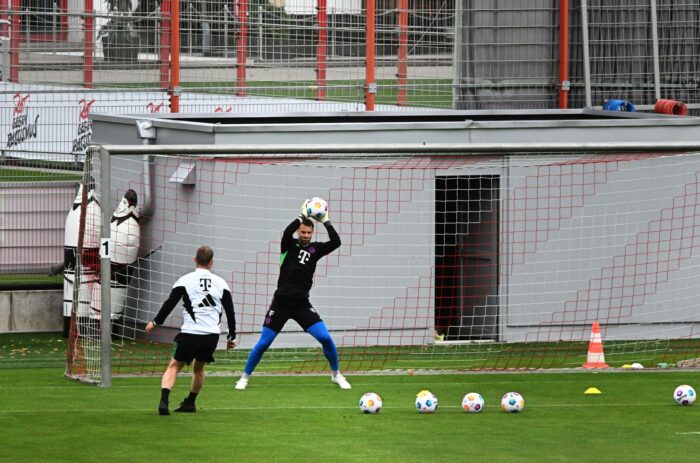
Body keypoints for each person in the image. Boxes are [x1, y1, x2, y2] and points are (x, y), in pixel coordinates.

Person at [235, 200, 351, 390]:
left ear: (312, 233)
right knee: (264, 343)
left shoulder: (316, 249)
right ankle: (244, 378)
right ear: (299, 231)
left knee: (326, 338)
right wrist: (302, 216)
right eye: (303, 232)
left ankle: (336, 374)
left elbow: (336, 242)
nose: (305, 235)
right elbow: (287, 232)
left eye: (308, 233)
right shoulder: (288, 244)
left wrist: (326, 221)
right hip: (281, 303)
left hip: (301, 304)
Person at [145, 245, 238, 415]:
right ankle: (190, 402)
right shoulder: (221, 283)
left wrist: (155, 322)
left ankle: (164, 401)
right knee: (199, 368)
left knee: (174, 366)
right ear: (211, 262)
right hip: (210, 336)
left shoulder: (184, 280)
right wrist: (231, 337)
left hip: (189, 333)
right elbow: (230, 311)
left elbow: (169, 303)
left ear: (195, 259)